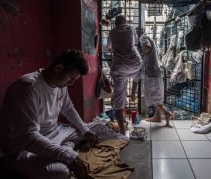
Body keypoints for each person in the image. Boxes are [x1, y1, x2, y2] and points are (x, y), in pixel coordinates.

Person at [0, 49, 127, 179]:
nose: (71, 84)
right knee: (59, 172)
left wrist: (84, 130)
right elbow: (28, 137)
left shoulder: (60, 85)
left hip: (56, 132)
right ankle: (68, 148)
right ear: (59, 68)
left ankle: (68, 146)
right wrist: (69, 156)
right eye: (71, 78)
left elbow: (68, 108)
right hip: (25, 148)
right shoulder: (28, 88)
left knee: (98, 128)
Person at [107, 15, 142, 135]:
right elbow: (136, 42)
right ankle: (133, 92)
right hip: (134, 63)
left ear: (115, 24)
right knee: (138, 72)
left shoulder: (111, 32)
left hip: (119, 67)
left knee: (119, 100)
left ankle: (122, 131)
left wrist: (116, 49)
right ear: (125, 22)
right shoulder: (130, 28)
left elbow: (108, 49)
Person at [131, 30, 172, 126]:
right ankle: (157, 117)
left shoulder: (142, 38)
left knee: (154, 97)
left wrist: (139, 54)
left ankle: (167, 113)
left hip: (150, 72)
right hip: (153, 71)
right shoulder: (143, 39)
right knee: (157, 95)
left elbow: (147, 47)